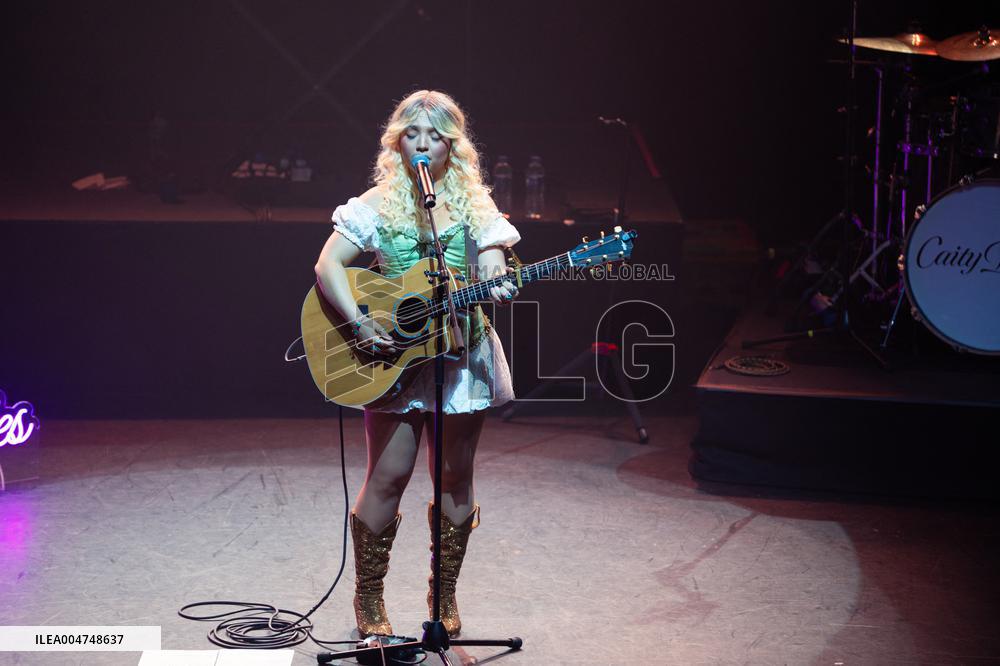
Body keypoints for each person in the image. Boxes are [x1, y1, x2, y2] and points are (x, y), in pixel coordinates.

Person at [313, 90, 521, 638]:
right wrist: (360, 322)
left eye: (435, 135)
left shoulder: (477, 206)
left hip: (462, 354)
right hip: (396, 360)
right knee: (389, 475)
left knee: (455, 477)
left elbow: (495, 264)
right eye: (413, 134)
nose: (424, 144)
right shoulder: (376, 203)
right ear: (397, 141)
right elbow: (328, 264)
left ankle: (443, 600)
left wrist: (495, 280)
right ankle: (370, 601)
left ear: (454, 144)